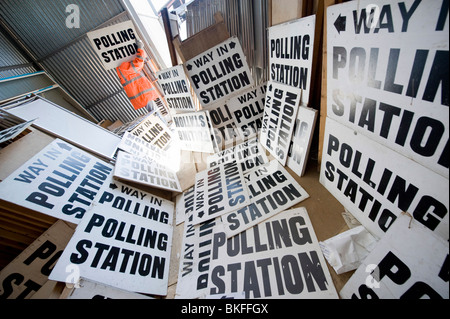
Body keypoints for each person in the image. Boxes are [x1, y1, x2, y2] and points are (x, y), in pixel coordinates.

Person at [116, 39, 158, 110]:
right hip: (144, 95)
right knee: (155, 113)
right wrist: (140, 48)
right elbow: (139, 62)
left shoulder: (121, 70)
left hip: (141, 97)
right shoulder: (124, 67)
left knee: (154, 113)